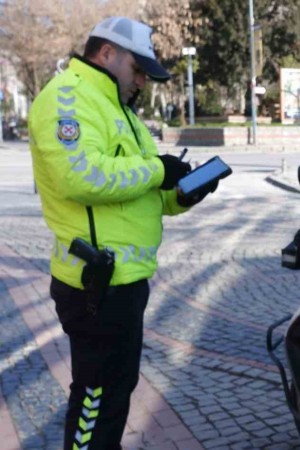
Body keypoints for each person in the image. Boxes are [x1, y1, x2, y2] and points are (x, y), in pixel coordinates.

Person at [29, 17, 215, 448]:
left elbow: (147, 195)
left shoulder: (117, 108)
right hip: (95, 285)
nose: (143, 81)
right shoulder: (68, 99)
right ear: (107, 53)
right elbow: (82, 176)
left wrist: (183, 195)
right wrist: (156, 168)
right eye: (138, 69)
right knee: (95, 397)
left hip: (124, 282)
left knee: (114, 393)